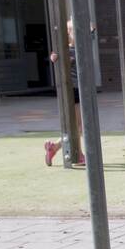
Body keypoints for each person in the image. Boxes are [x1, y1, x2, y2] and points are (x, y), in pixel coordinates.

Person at [44, 19, 89, 166]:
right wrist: (55, 57)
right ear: (68, 33)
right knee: (77, 125)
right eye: (74, 31)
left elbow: (92, 29)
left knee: (76, 125)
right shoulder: (66, 49)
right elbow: (55, 57)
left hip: (78, 89)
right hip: (73, 90)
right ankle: (77, 153)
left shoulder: (80, 47)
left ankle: (55, 147)